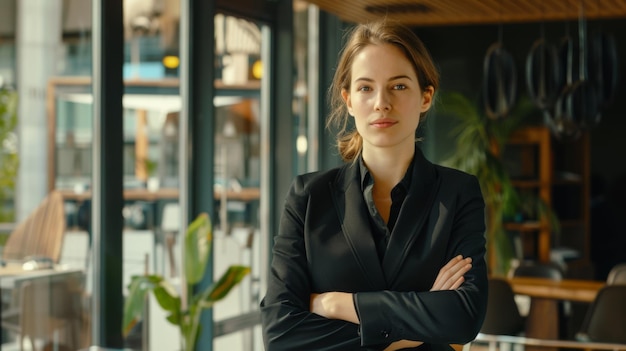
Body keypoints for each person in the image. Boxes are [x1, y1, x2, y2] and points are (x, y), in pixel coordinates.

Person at [260, 20, 488, 351]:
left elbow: (464, 318)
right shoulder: (308, 198)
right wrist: (418, 325)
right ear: (348, 100)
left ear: (425, 97)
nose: (381, 102)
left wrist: (338, 305)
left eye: (398, 86)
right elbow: (281, 334)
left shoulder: (457, 194)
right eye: (366, 88)